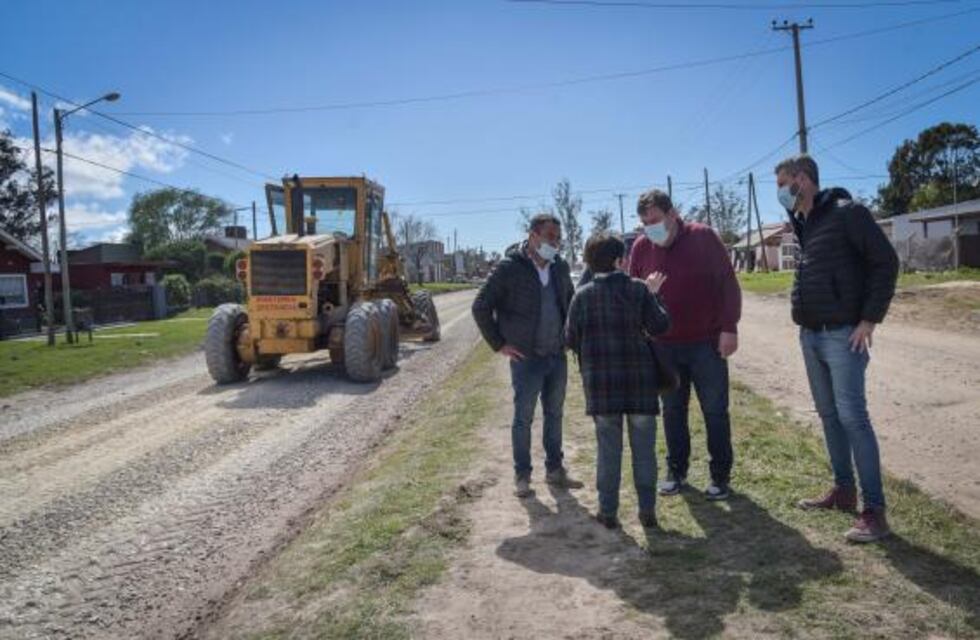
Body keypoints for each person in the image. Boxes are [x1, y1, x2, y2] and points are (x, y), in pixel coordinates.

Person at [775, 155, 898, 543]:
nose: (779, 192)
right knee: (829, 416)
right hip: (810, 334)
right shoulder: (805, 222)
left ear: (802, 179)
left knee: (853, 418)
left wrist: (869, 319)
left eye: (782, 182)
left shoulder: (848, 213)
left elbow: (886, 262)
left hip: (844, 334)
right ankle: (844, 491)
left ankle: (875, 512)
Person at [628, 189, 741, 501]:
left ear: (673, 214)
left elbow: (727, 284)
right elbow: (632, 294)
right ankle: (676, 471)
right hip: (664, 346)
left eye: (656, 220)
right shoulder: (641, 247)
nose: (651, 228)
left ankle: (720, 476)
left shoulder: (703, 237)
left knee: (715, 411)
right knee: (673, 410)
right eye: (645, 222)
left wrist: (729, 328)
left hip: (706, 343)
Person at [472, 213, 581, 498]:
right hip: (526, 359)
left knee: (554, 414)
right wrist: (499, 344)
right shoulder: (510, 268)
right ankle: (523, 475)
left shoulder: (560, 267)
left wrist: (570, 337)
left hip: (556, 356)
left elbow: (569, 304)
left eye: (558, 238)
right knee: (523, 418)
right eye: (549, 237)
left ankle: (555, 470)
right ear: (533, 236)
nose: (555, 243)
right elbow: (480, 306)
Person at [565, 233, 670, 529]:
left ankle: (608, 511)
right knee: (644, 451)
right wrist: (654, 294)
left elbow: (569, 338)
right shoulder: (638, 290)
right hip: (640, 383)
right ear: (618, 261)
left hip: (601, 387)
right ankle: (647, 510)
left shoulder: (582, 296)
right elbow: (661, 325)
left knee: (608, 451)